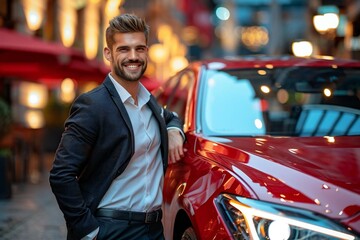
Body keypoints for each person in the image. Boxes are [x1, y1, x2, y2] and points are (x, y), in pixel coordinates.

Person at [49, 13, 185, 240]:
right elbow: (61, 174)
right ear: (108, 54)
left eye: (140, 49)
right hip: (111, 229)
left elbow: (170, 117)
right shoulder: (93, 105)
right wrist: (88, 231)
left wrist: (173, 130)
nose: (133, 56)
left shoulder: (149, 101)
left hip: (154, 229)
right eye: (124, 49)